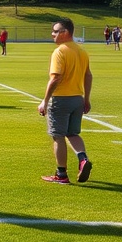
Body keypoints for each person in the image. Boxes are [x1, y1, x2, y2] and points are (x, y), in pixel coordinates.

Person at [37, 17, 93, 184]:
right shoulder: (81, 51)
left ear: (65, 32)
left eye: (55, 31)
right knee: (72, 133)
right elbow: (88, 75)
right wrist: (86, 98)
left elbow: (55, 78)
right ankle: (82, 159)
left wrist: (45, 101)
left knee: (58, 136)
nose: (52, 34)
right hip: (77, 98)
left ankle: (61, 174)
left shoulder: (60, 51)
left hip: (61, 100)